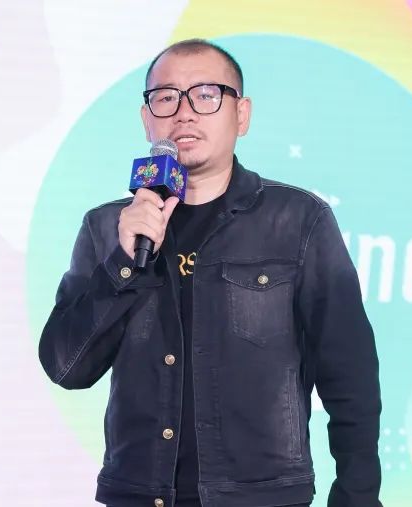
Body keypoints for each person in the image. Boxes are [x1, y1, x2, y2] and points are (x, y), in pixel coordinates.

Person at [39, 38, 382, 507]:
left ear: (241, 115)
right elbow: (67, 367)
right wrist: (122, 264)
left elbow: (350, 373)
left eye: (205, 95)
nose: (184, 113)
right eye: (166, 98)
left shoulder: (298, 220)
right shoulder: (108, 228)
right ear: (147, 119)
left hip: (261, 499)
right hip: (138, 495)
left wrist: (357, 497)